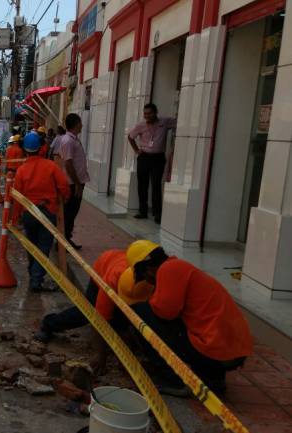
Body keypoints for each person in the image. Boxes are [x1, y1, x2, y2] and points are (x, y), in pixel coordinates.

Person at [126, 240, 252, 395]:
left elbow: (164, 312)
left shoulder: (168, 269)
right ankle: (213, 379)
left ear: (148, 270)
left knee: (139, 312)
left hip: (214, 350)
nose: (149, 282)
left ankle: (177, 381)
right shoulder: (182, 268)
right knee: (180, 323)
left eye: (145, 278)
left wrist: (151, 300)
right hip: (234, 350)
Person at [12, 132, 70, 291]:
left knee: (32, 246)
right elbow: (64, 185)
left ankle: (33, 275)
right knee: (43, 247)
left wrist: (16, 217)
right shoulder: (51, 166)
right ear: (41, 149)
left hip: (29, 213)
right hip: (47, 212)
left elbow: (16, 196)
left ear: (25, 149)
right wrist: (64, 197)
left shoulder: (22, 170)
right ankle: (36, 281)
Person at [128, 103, 177, 224]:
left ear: (156, 112)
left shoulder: (164, 122)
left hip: (158, 158)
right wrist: (137, 151)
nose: (147, 116)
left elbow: (179, 123)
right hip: (144, 157)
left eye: (149, 113)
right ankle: (143, 211)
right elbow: (130, 137)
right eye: (145, 114)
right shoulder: (141, 125)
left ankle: (157, 214)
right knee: (142, 185)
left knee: (156, 186)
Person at [59, 113, 90, 250]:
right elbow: (68, 163)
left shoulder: (74, 139)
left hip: (77, 182)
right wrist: (77, 183)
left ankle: (66, 238)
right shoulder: (68, 141)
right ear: (76, 124)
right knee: (69, 212)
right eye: (80, 122)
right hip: (72, 184)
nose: (82, 125)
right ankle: (63, 240)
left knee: (72, 212)